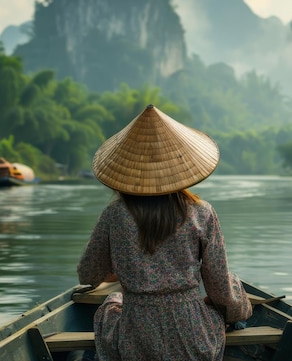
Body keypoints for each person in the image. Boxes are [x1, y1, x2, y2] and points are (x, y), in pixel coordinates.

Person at [77, 104, 253, 361]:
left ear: (128, 171)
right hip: (193, 343)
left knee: (112, 303)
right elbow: (218, 287)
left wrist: (122, 270)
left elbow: (88, 274)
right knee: (233, 285)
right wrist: (239, 311)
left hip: (134, 344)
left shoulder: (114, 215)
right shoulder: (202, 213)